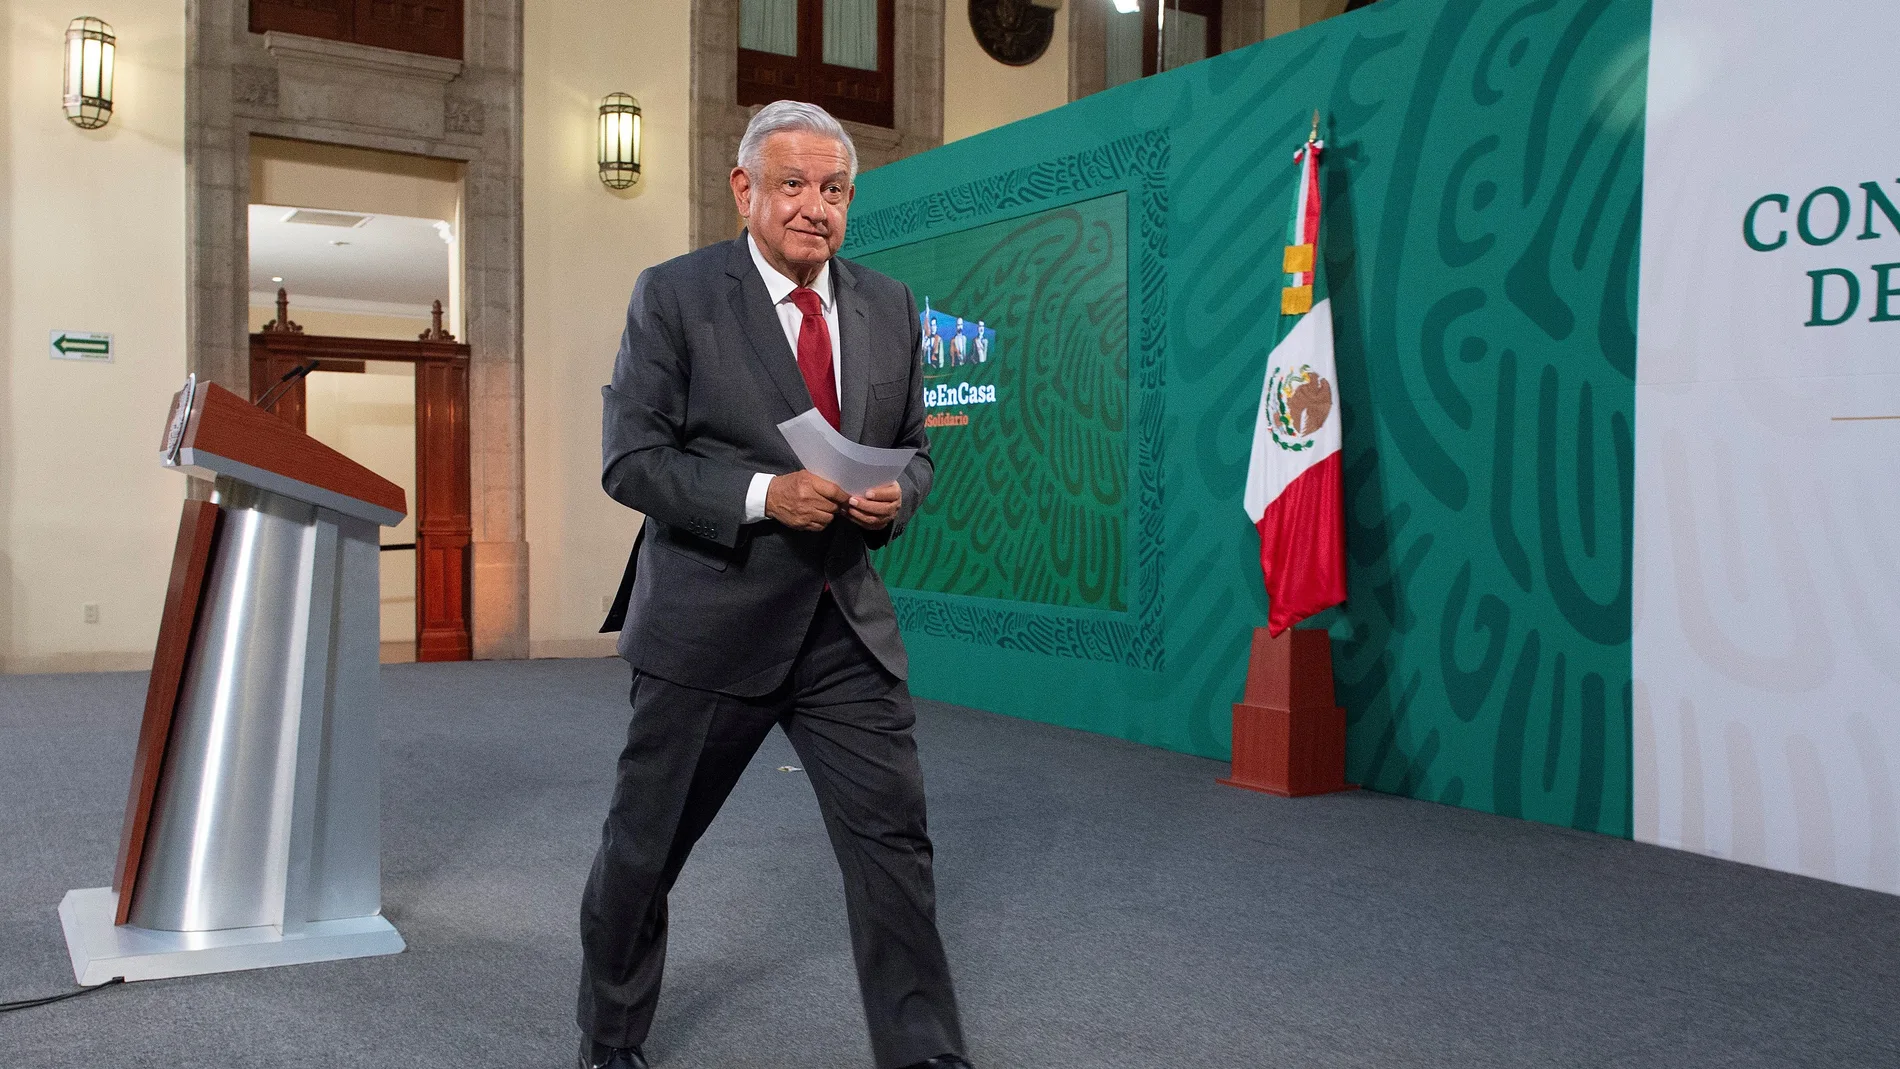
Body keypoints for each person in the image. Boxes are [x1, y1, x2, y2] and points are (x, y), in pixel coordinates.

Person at [581, 100, 974, 1069]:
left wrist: (897, 496)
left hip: (844, 624)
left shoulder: (888, 304)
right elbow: (631, 460)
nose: (814, 207)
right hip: (708, 622)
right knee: (645, 849)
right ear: (744, 189)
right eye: (793, 184)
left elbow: (916, 451)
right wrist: (762, 494)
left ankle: (924, 1052)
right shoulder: (672, 295)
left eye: (833, 189)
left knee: (894, 849)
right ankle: (608, 1038)